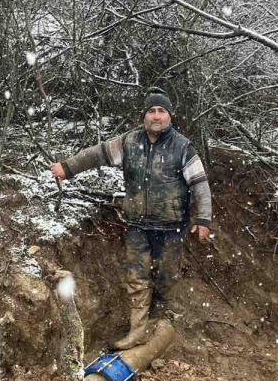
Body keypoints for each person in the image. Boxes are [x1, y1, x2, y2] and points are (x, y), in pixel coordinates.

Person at [50, 87, 212, 349]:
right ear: (144, 116)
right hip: (137, 224)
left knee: (165, 277)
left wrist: (203, 219)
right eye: (151, 111)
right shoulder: (128, 142)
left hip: (171, 228)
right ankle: (138, 331)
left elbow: (200, 184)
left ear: (169, 116)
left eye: (161, 111)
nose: (156, 116)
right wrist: (67, 168)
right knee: (136, 278)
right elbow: (96, 154)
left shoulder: (182, 147)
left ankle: (158, 323)